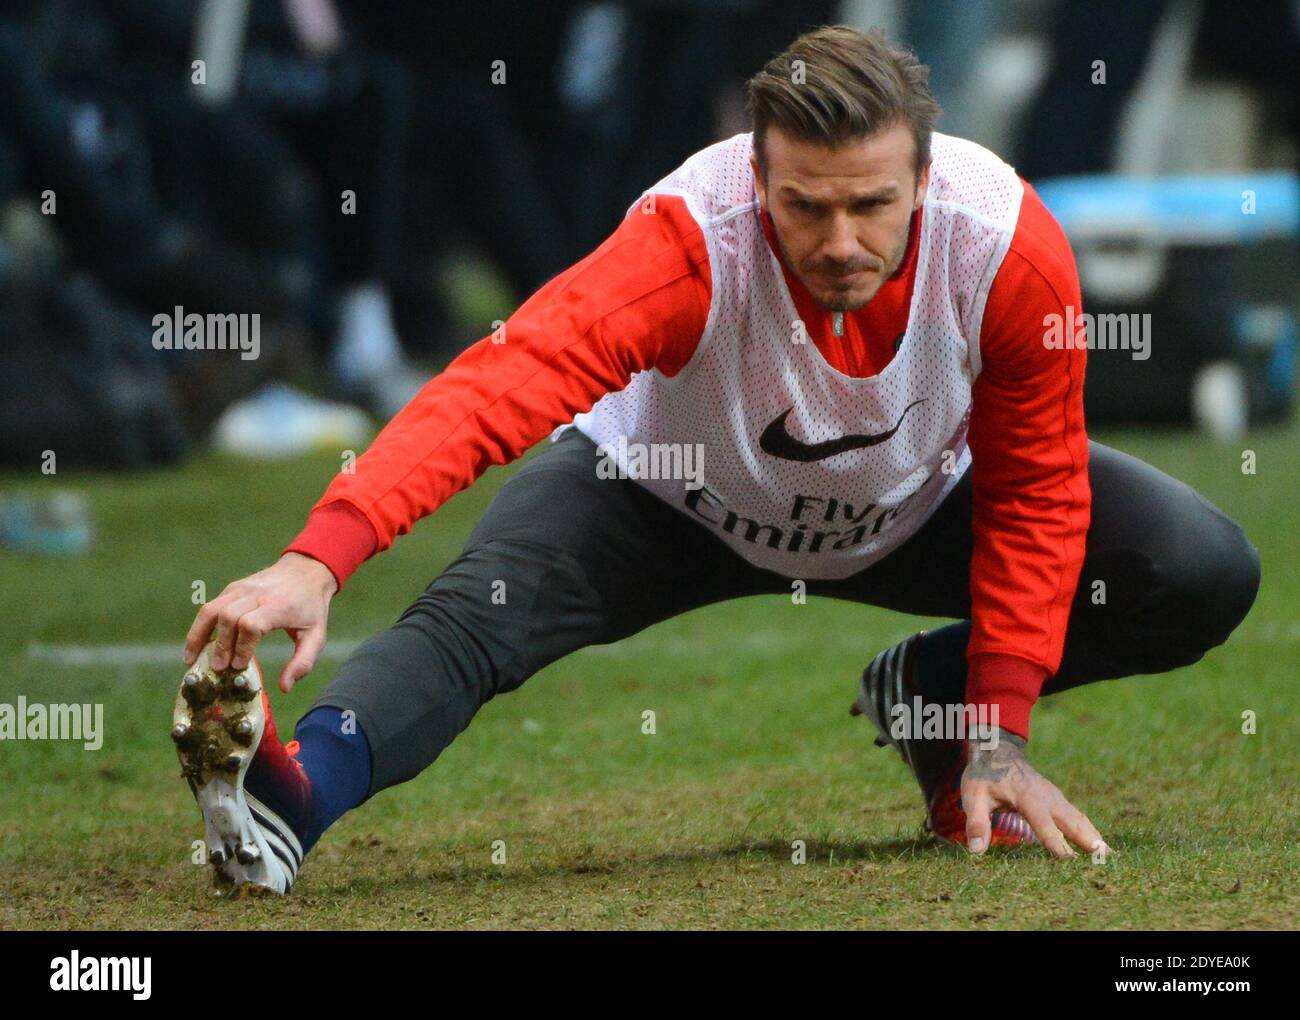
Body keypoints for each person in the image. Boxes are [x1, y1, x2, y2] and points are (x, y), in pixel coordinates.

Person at [177, 25, 1260, 896]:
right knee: (467, 627)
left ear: (926, 181)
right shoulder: (688, 237)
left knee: (1196, 563)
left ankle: (930, 695)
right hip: (658, 495)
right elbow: (499, 387)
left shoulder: (1010, 249)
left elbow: (1035, 490)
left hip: (907, 504)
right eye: (806, 204)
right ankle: (291, 797)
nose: (840, 240)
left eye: (872, 204)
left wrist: (997, 731)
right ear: (757, 175)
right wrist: (317, 559)